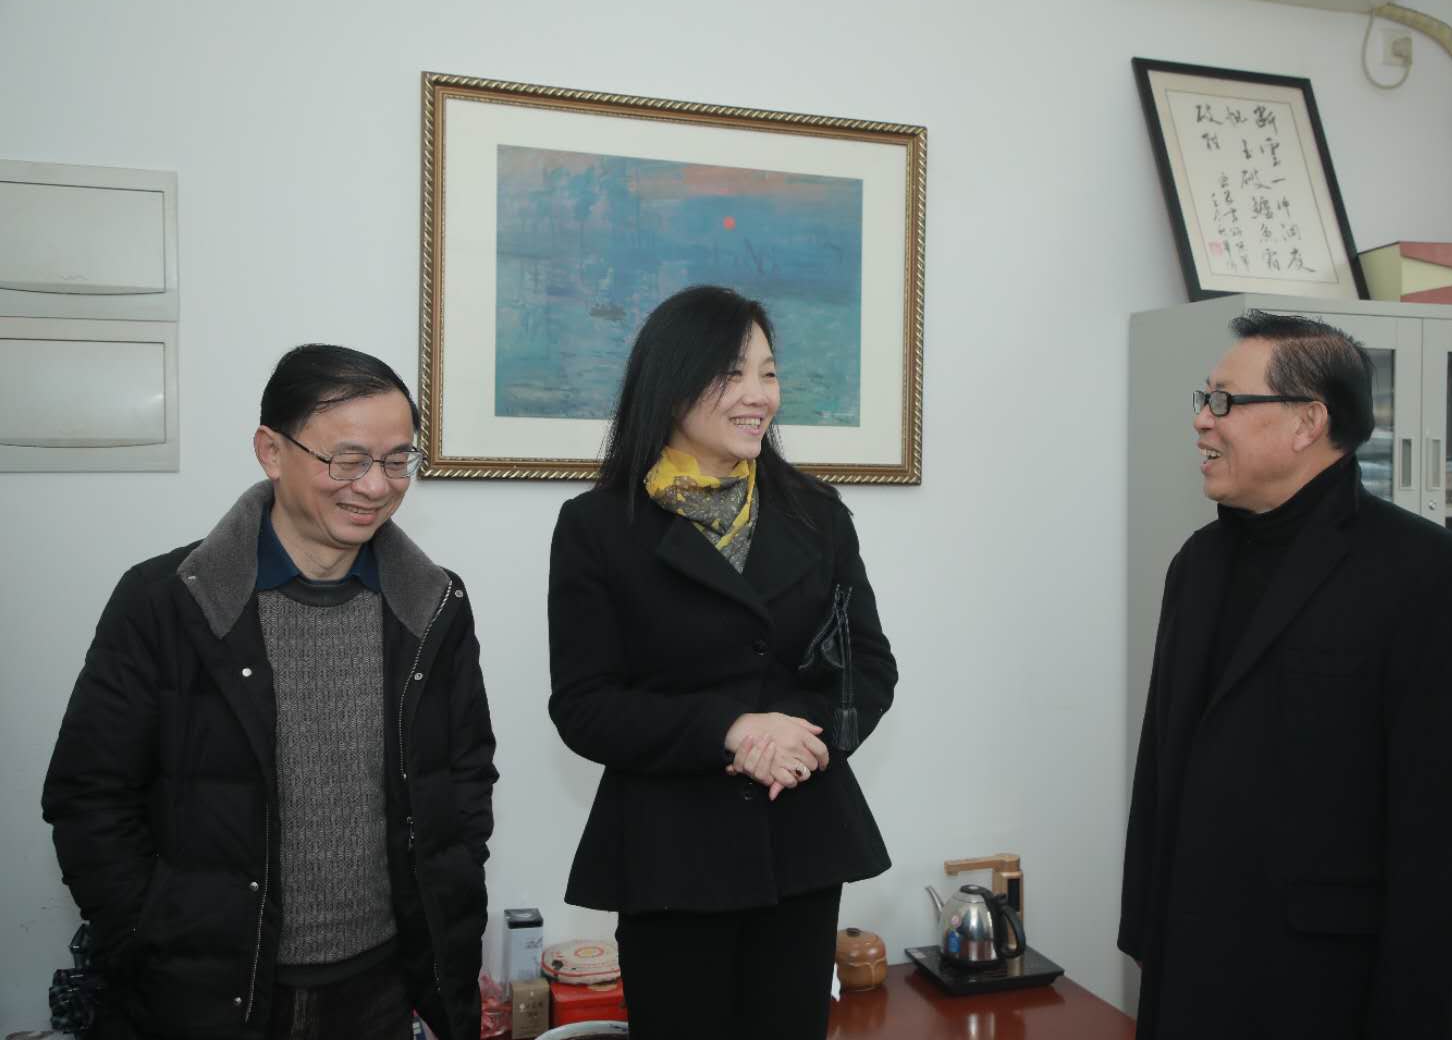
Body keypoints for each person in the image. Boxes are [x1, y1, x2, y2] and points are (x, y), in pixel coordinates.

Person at [42, 345, 497, 1040]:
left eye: (397, 460)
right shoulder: (167, 603)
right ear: (271, 451)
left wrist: (452, 894)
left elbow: (465, 777)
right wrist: (145, 933)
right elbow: (88, 796)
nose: (376, 486)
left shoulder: (434, 606)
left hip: (380, 989)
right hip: (203, 994)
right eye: (347, 460)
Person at [1119, 311, 1452, 1039]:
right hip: (1192, 968)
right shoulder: (1197, 565)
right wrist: (1147, 930)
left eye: (1225, 402)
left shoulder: (1433, 578)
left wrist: (1424, 1015)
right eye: (1204, 400)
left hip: (1328, 985)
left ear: (1308, 421)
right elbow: (1162, 763)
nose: (1203, 421)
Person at [548, 285, 897, 1040]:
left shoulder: (817, 513)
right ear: (671, 382)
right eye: (731, 373)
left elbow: (868, 668)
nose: (758, 395)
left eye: (768, 373)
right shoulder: (597, 527)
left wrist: (797, 739)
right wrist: (731, 730)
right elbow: (585, 705)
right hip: (670, 858)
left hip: (801, 843)